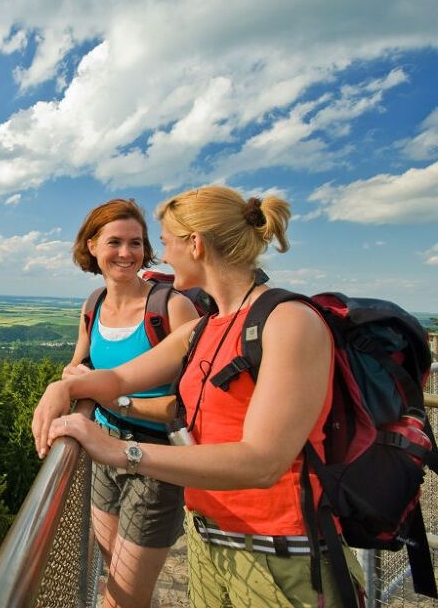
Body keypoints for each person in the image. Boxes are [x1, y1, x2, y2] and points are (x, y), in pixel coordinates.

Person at [32, 186, 365, 607]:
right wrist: (62, 387)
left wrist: (120, 450)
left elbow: (262, 462)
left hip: (285, 554)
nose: (163, 257)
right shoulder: (205, 329)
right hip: (210, 539)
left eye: (167, 243)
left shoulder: (287, 322)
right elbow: (116, 379)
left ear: (196, 244)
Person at [63, 199, 198, 608]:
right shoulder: (93, 306)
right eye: (115, 242)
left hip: (155, 461)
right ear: (91, 246)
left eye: (136, 243)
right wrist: (74, 383)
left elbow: (194, 405)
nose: (127, 253)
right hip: (103, 450)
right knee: (113, 575)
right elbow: (78, 366)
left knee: (122, 597)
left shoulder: (172, 307)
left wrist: (117, 400)